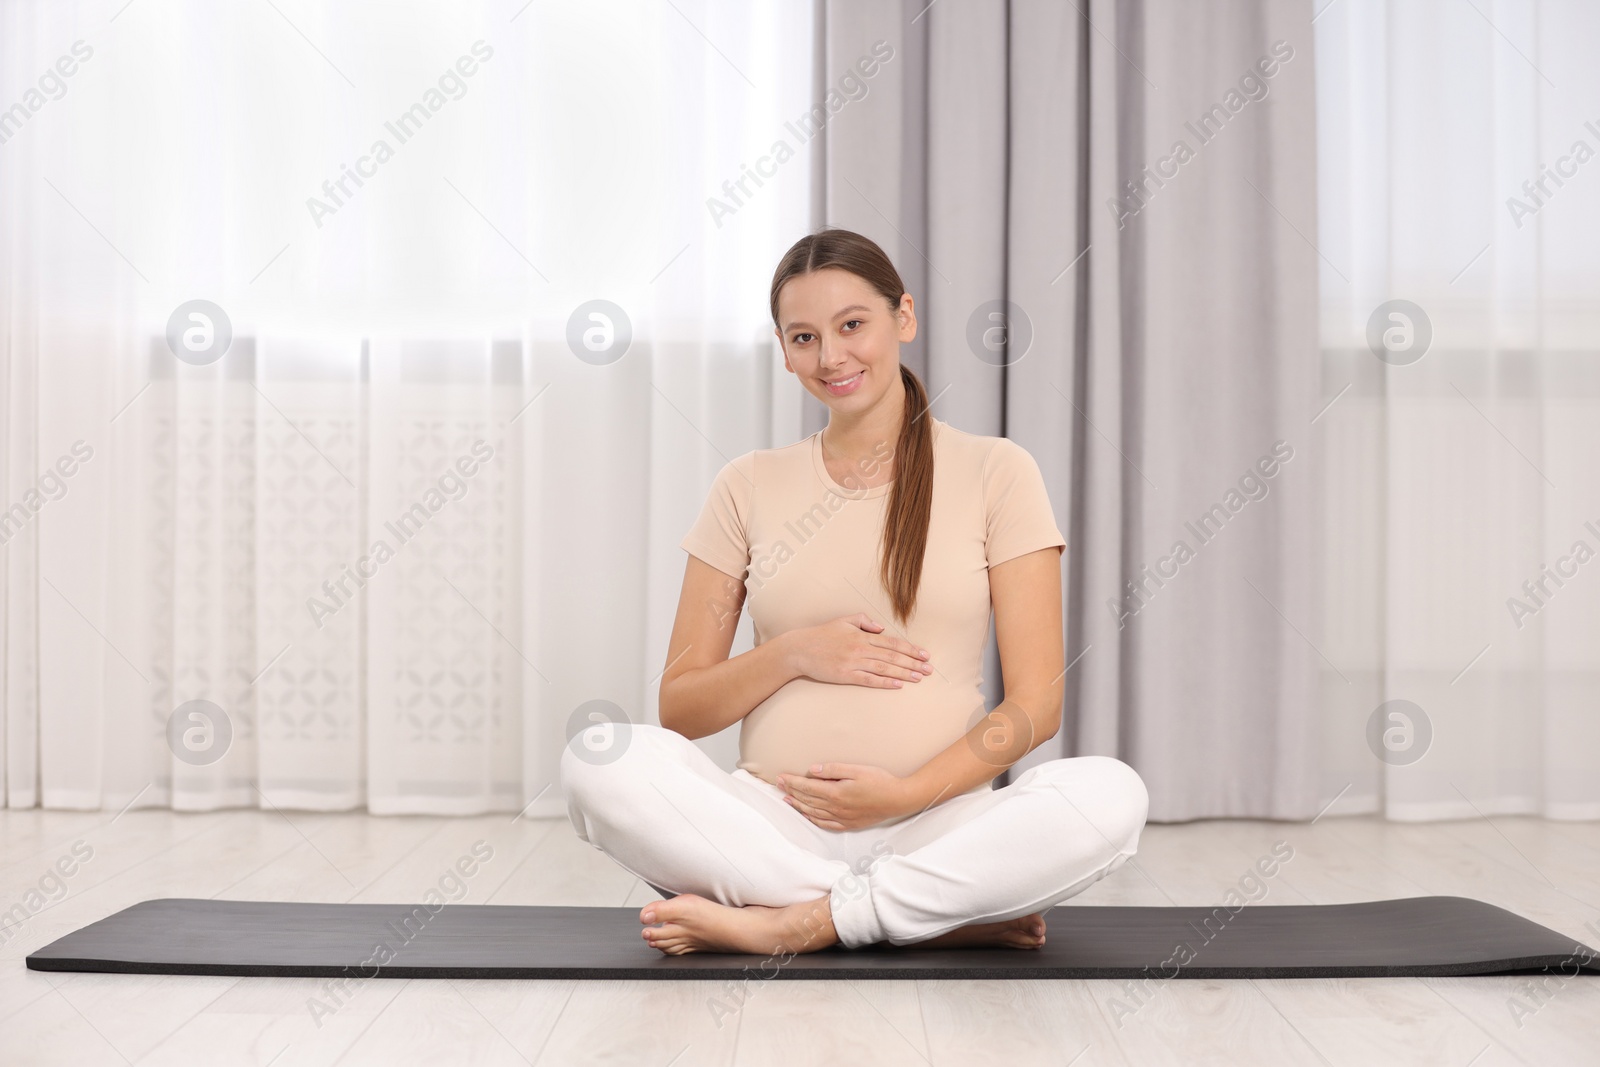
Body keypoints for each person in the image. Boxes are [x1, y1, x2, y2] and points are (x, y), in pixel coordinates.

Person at [560, 228, 1149, 956]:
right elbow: (680, 707)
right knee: (597, 755)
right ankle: (924, 912)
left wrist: (905, 795)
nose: (831, 356)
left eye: (851, 325)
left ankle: (798, 922)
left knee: (1112, 796)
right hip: (772, 822)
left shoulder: (998, 472)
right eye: (804, 337)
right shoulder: (746, 485)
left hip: (938, 821)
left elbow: (1036, 706)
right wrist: (796, 653)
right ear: (782, 350)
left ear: (903, 317)